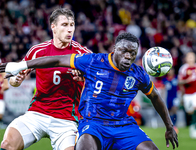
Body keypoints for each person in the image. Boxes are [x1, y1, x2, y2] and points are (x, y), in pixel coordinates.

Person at [1, 32, 178, 150]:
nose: (128, 57)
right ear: (114, 49)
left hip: (123, 126)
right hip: (93, 124)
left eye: (132, 53)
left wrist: (169, 127)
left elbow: (155, 97)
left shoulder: (139, 75)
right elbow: (56, 61)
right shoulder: (93, 61)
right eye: (124, 51)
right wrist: (21, 65)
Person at [0, 8, 92, 150]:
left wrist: (84, 79)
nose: (69, 30)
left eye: (72, 25)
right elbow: (13, 80)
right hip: (36, 114)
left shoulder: (83, 54)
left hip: (67, 120)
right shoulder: (38, 51)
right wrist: (16, 80)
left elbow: (99, 83)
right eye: (65, 25)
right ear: (53, 27)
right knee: (7, 144)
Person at [178, 52, 196, 139]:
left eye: (192, 57)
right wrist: (187, 81)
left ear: (195, 58)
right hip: (187, 94)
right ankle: (193, 125)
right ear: (186, 58)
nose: (191, 59)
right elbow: (179, 82)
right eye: (189, 57)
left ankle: (195, 126)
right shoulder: (183, 69)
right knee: (190, 111)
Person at [162, 67, 179, 133]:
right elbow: (163, 89)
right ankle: (170, 126)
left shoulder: (176, 78)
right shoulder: (165, 80)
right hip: (168, 98)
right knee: (168, 112)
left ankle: (174, 125)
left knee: (174, 110)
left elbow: (180, 86)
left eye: (171, 70)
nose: (170, 72)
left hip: (175, 97)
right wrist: (162, 98)